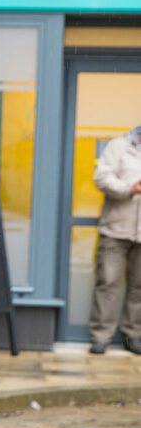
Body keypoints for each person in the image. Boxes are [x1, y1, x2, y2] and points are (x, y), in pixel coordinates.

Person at [88, 126, 141, 354]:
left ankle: (133, 336)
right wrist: (129, 188)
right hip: (115, 229)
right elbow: (101, 178)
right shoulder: (118, 146)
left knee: (139, 288)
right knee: (107, 283)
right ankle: (100, 337)